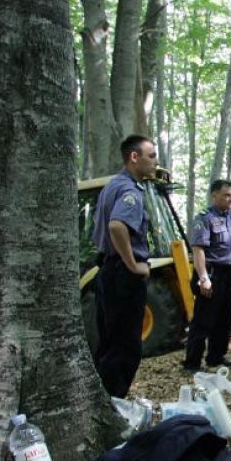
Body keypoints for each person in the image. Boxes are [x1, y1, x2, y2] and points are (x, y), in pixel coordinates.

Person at [91, 134, 159, 397]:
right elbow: (117, 225)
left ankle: (103, 399)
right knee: (127, 348)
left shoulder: (111, 187)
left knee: (109, 344)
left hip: (108, 271)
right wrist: (133, 265)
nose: (154, 162)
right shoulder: (130, 190)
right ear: (134, 157)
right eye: (151, 156)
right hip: (123, 277)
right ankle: (114, 404)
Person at [182, 179, 231, 373]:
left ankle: (216, 356)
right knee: (203, 320)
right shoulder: (204, 218)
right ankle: (192, 362)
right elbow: (198, 250)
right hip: (211, 273)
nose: (230, 198)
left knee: (224, 318)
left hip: (230, 274)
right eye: (226, 195)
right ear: (214, 196)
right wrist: (203, 278)